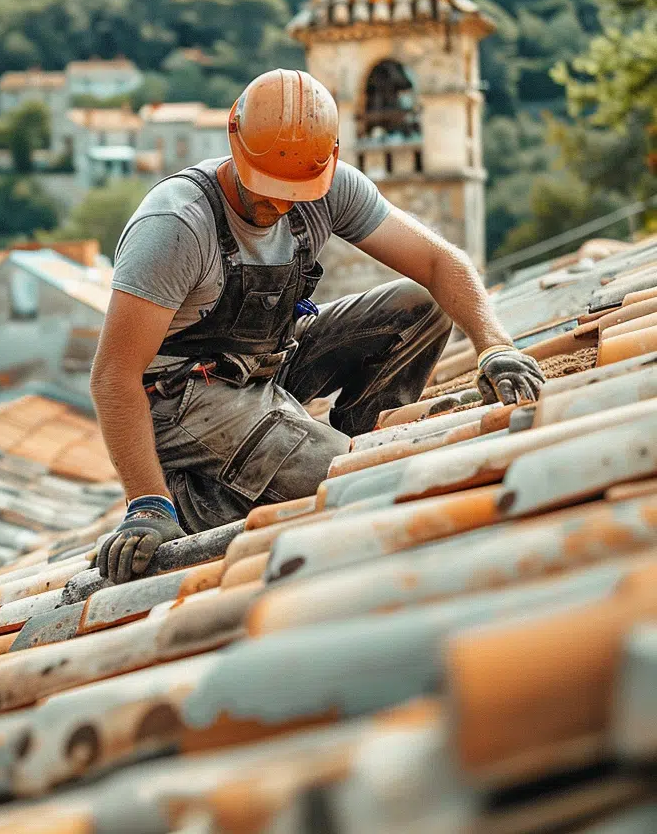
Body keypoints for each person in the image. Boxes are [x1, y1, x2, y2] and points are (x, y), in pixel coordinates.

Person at [90, 69, 544, 585]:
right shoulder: (174, 228)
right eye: (267, 189)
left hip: (268, 365)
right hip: (183, 396)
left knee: (419, 304)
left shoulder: (329, 187)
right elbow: (112, 377)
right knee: (355, 484)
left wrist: (495, 347)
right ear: (234, 143)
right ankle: (200, 497)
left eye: (296, 190)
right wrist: (148, 502)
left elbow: (441, 264)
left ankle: (359, 434)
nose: (281, 203)